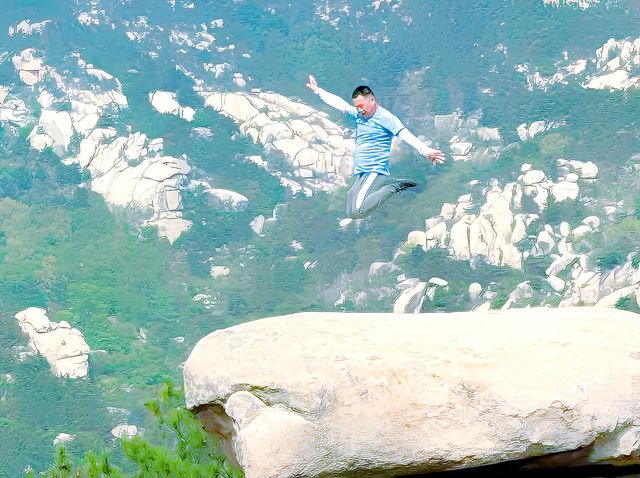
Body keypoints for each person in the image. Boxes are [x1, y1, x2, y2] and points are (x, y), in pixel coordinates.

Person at [306, 75, 445, 219]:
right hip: (362, 171)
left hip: (374, 170)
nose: (360, 110)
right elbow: (340, 104)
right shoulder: (359, 115)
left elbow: (405, 135)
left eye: (362, 106)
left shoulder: (386, 118)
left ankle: (395, 185)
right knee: (350, 209)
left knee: (357, 211)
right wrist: (318, 91)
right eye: (357, 107)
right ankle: (390, 187)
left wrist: (426, 151)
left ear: (372, 100)